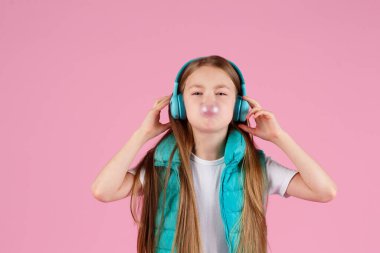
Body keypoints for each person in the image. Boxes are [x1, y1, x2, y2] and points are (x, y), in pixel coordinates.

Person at [91, 55, 337, 253]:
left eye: (221, 93)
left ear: (239, 107)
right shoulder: (161, 167)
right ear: (179, 106)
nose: (209, 101)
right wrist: (142, 134)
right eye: (196, 93)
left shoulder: (255, 167)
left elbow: (324, 191)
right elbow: (104, 190)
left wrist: (279, 137)